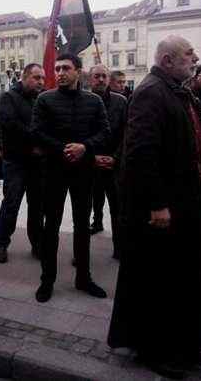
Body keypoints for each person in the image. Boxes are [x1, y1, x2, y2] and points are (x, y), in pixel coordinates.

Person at [107, 36, 201, 379]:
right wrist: (157, 204)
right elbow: (141, 153)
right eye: (189, 54)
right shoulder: (151, 92)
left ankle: (182, 345)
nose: (195, 58)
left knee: (179, 280)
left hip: (183, 204)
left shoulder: (174, 89)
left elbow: (174, 139)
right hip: (161, 209)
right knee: (159, 284)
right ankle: (156, 350)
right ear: (168, 60)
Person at [31, 53, 110, 303]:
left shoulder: (94, 101)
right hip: (54, 170)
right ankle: (47, 279)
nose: (60, 73)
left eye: (66, 68)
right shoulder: (45, 99)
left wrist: (84, 147)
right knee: (51, 225)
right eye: (57, 68)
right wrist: (64, 149)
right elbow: (37, 132)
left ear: (78, 71)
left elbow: (105, 132)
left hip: (84, 171)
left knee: (82, 225)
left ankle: (83, 278)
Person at [0, 63, 46, 263]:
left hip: (37, 163)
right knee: (11, 204)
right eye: (36, 77)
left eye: (42, 78)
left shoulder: (42, 99)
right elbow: (10, 125)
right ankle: (1, 243)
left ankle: (37, 244)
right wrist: (33, 142)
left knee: (37, 207)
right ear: (24, 77)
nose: (40, 82)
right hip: (16, 161)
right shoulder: (9, 97)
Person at [88, 64, 127, 260]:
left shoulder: (121, 102)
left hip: (114, 163)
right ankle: (82, 251)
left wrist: (115, 157)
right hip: (90, 164)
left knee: (117, 208)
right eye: (97, 76)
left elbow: (127, 133)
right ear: (90, 79)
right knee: (87, 206)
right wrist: (92, 157)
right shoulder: (82, 101)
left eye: (104, 76)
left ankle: (120, 248)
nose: (101, 80)